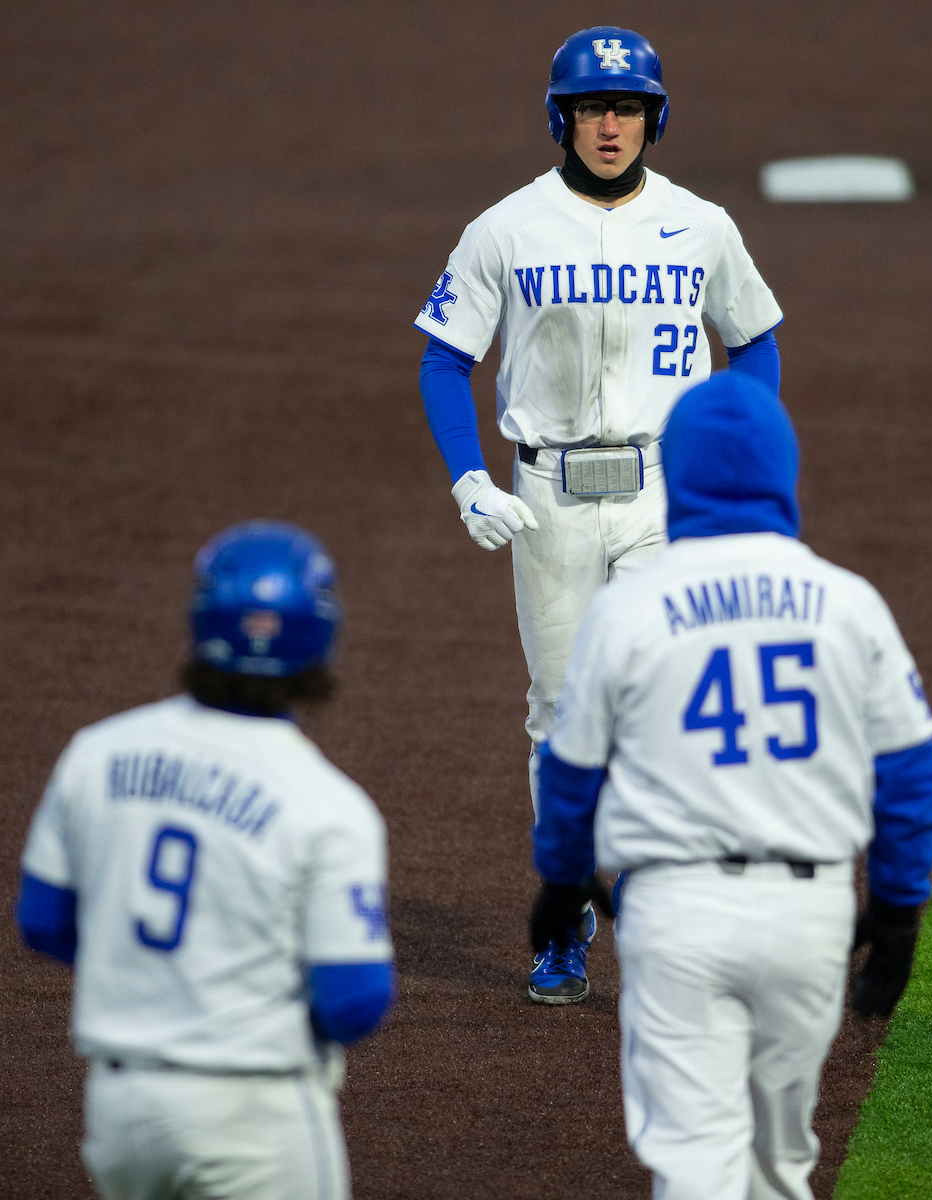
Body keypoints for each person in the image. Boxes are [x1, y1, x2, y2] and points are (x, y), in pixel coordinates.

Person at [415, 26, 783, 1003]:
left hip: (665, 494)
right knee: (564, 718)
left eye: (625, 108)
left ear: (654, 116)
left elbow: (754, 342)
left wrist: (744, 462)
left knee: (673, 702)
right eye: (591, 108)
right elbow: (446, 358)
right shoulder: (508, 227)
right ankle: (568, 918)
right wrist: (468, 478)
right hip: (549, 503)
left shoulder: (702, 225)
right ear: (561, 117)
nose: (609, 125)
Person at [528, 372, 932, 1200]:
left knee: (694, 1162)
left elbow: (571, 768)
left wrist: (564, 878)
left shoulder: (631, 606)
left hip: (677, 913)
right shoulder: (847, 602)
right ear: (782, 470)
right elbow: (911, 772)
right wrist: (897, 913)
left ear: (675, 473)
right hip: (810, 915)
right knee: (779, 1169)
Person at [16, 520, 395, 1200]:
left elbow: (44, 922)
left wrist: (158, 981)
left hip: (122, 1113)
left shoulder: (96, 753)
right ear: (319, 641)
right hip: (253, 1115)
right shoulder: (330, 806)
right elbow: (354, 1000)